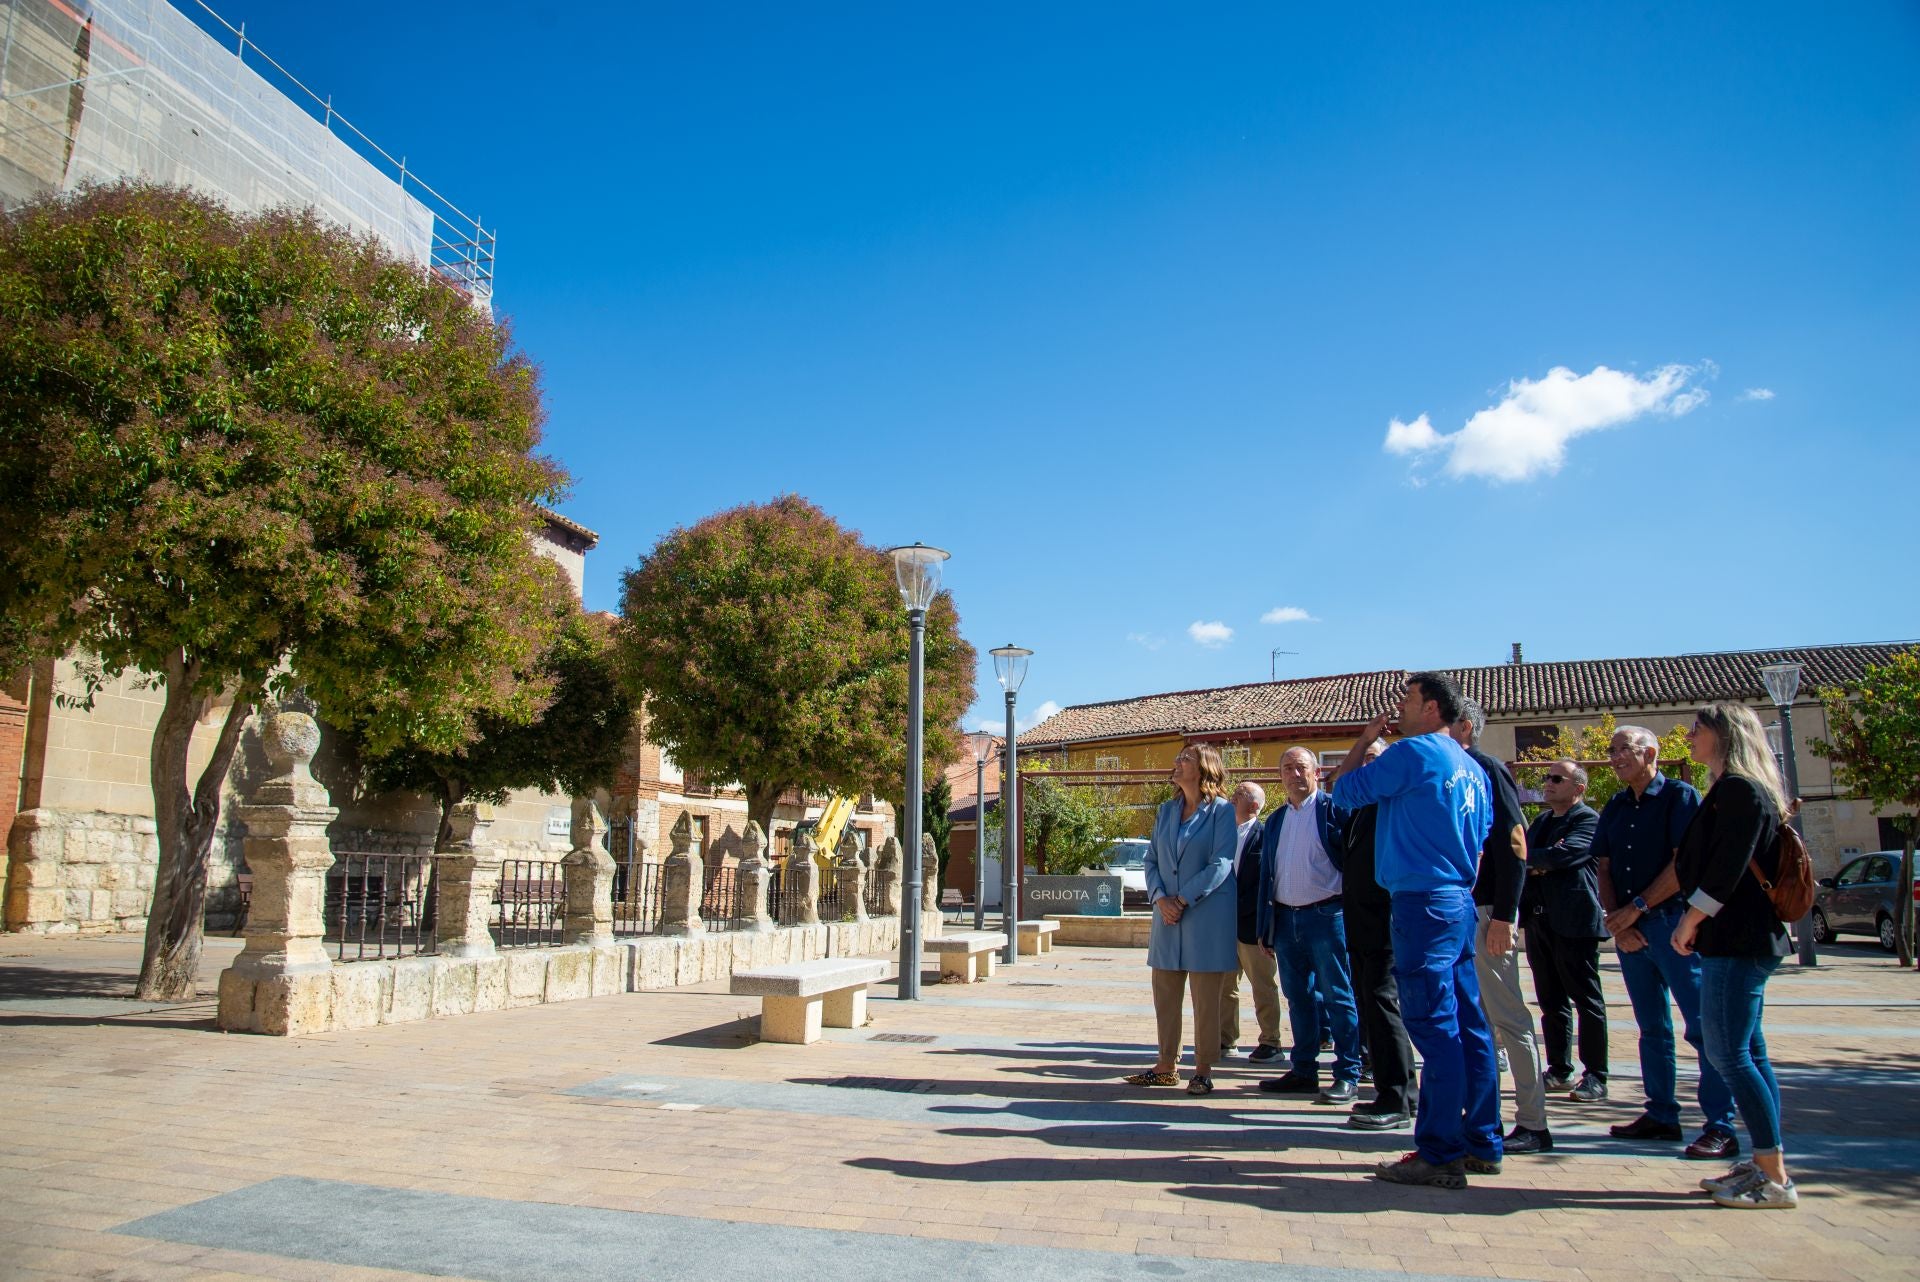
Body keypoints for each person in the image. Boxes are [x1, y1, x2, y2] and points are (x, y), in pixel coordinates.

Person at [1330, 672, 1498, 1189]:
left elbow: (1343, 792)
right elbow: (1484, 833)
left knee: (1433, 1025)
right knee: (1469, 1022)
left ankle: (1440, 1149)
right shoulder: (1472, 767)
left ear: (1430, 708)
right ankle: (1482, 1139)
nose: (1397, 709)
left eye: (1406, 700)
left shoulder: (1415, 752)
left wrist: (1363, 739)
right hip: (1457, 901)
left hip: (1421, 901)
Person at [1595, 725, 1738, 1160]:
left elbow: (1683, 865)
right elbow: (1603, 865)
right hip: (1632, 933)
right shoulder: (1616, 805)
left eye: (1625, 749)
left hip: (1673, 926)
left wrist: (1633, 909)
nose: (1616, 757)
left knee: (1702, 1027)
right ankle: (1660, 1113)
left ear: (1651, 752)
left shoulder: (1681, 798)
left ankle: (1720, 1124)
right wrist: (1619, 924)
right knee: (1651, 1028)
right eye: (1612, 750)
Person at [1672, 702, 1794, 1209]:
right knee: (1749, 1053)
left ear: (1724, 735)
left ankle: (1774, 1176)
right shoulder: (1730, 789)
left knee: (1728, 1054)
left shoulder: (1741, 790)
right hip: (1736, 939)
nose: (1690, 736)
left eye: (1698, 729)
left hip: (1738, 939)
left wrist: (1690, 919)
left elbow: (1726, 868)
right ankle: (1766, 1161)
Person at [1448, 700, 1548, 1158]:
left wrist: (1505, 917)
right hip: (1460, 911)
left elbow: (1514, 844)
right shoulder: (1451, 772)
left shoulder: (1486, 769)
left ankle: (1533, 1121)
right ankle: (1480, 1114)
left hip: (1489, 911)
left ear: (1465, 726)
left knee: (1508, 1017)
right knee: (1475, 1021)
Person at [1124, 743, 1240, 1095]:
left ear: (1204, 768)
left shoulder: (1221, 812)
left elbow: (1220, 864)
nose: (1176, 763)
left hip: (1204, 916)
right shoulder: (1165, 810)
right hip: (1167, 918)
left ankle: (1203, 1069)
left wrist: (1183, 898)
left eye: (1184, 759)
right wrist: (1160, 899)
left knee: (1206, 1000)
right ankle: (1165, 1065)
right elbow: (1151, 861)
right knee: (1166, 994)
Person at [1256, 747, 1363, 1105]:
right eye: (1287, 768)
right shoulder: (1275, 820)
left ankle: (1348, 1072)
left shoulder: (1333, 810)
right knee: (1298, 999)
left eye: (1301, 767)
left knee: (1338, 997)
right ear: (1281, 776)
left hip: (1327, 918)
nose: (1294, 774)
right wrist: (1266, 927)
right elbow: (1266, 878)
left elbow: (1353, 863)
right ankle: (1303, 1070)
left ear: (1316, 773)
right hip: (1286, 920)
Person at [1341, 739, 1419, 1131]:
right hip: (1359, 923)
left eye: (1376, 760)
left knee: (1384, 1005)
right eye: (1365, 760)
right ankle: (1398, 1090)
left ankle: (1397, 1096)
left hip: (1386, 923)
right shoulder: (1359, 810)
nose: (1369, 767)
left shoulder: (1393, 807)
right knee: (1371, 1005)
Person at [1523, 761, 1607, 1116]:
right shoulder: (1541, 822)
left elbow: (1566, 855)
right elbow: (1521, 856)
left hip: (1574, 922)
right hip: (1539, 922)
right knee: (1550, 1000)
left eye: (1557, 778)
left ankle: (1596, 1074)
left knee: (1586, 999)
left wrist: (1538, 861)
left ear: (1579, 788)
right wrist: (1537, 862)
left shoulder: (1587, 820)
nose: (1548, 783)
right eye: (1547, 778)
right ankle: (1559, 1069)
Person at [1220, 781, 1283, 1063]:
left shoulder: (1266, 835)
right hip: (1223, 927)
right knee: (1224, 987)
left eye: (1239, 795)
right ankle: (1225, 1040)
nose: (1232, 797)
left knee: (1263, 986)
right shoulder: (1223, 834)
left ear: (1254, 806)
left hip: (1252, 928)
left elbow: (1265, 883)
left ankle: (1271, 1042)